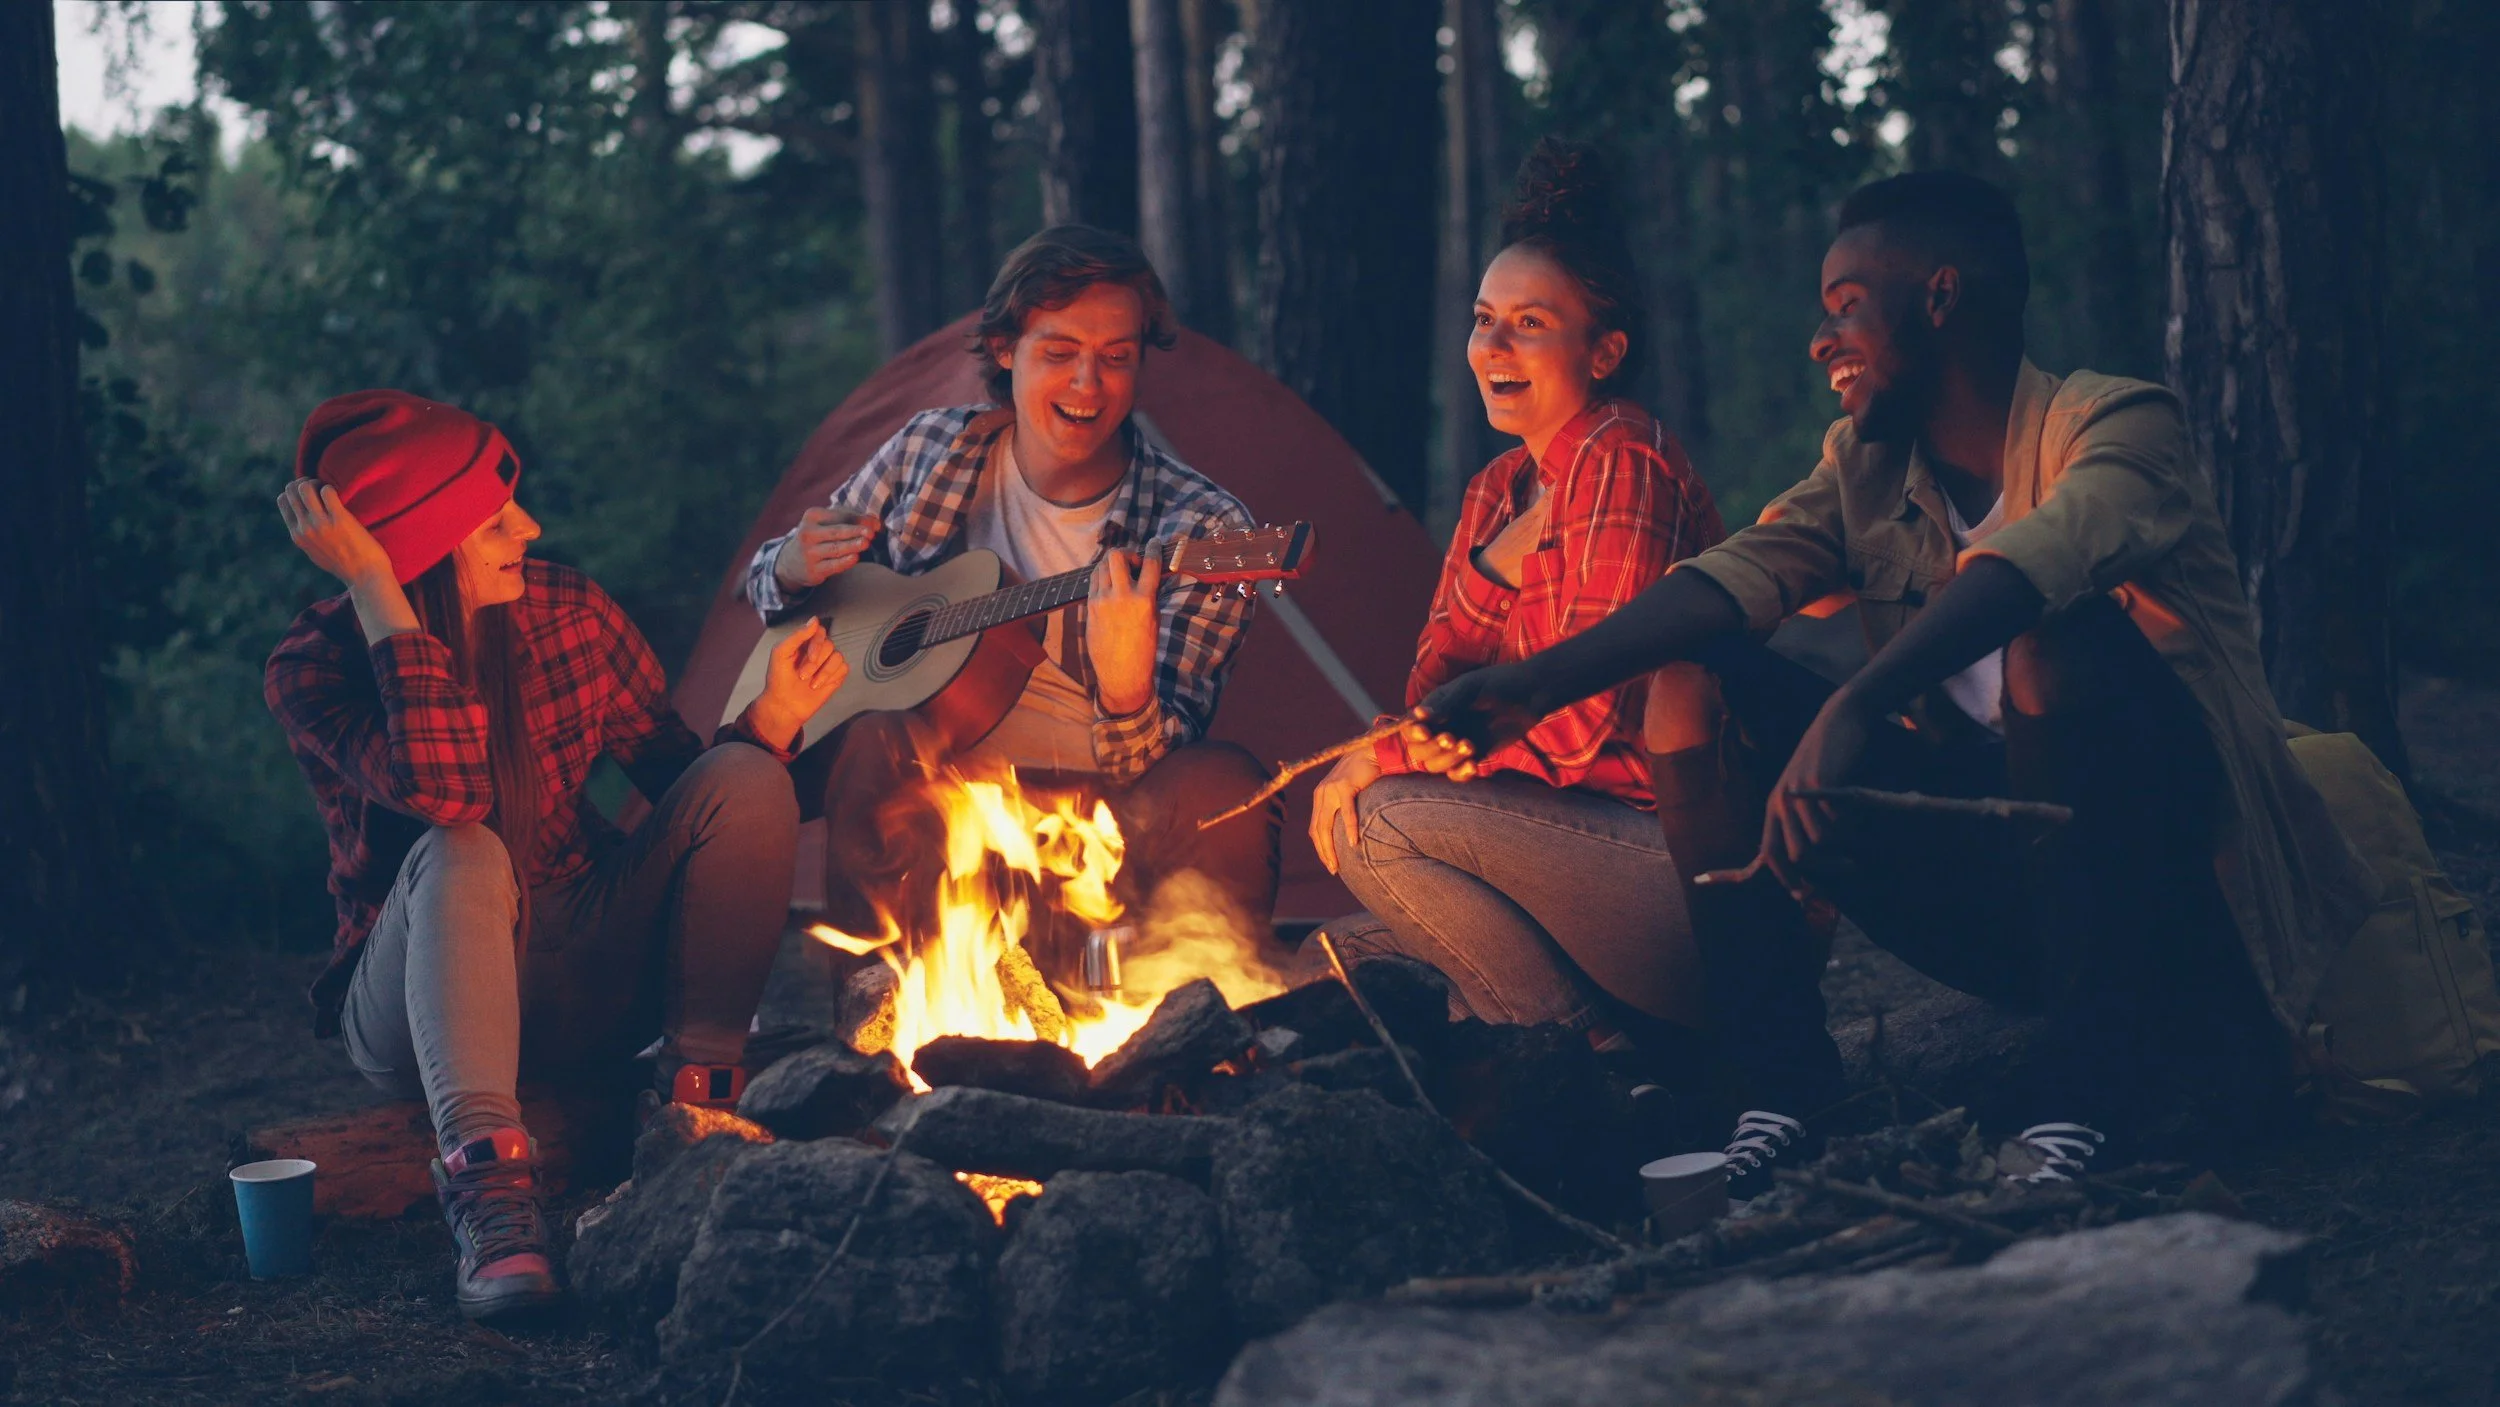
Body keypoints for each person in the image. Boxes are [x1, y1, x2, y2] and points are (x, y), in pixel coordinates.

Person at [1405, 171, 2373, 1195]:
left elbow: (2036, 565)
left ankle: (2091, 1090)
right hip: (1999, 893)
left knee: (2055, 645)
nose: (1822, 342)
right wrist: (1537, 683)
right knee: (1691, 674)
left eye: (1845, 310)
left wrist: (1855, 703)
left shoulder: (2120, 426)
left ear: (1941, 298)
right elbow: (1739, 573)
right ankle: (1780, 1085)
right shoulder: (1863, 470)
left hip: (2167, 899)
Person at [267, 390, 842, 1322]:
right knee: (462, 848)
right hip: (419, 1011)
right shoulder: (315, 663)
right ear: (421, 552)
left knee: (746, 775)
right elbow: (449, 790)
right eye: (495, 521)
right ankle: (491, 1195)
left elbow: (686, 785)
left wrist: (768, 724)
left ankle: (696, 1113)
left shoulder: (567, 609)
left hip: (582, 962)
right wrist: (380, 594)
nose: (528, 528)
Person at [742, 225, 1278, 980]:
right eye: (1060, 353)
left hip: (1103, 805)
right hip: (939, 793)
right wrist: (792, 567)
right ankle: (871, 1041)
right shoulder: (927, 451)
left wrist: (1125, 689)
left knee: (1227, 788)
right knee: (872, 741)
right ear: (1005, 349)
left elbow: (1156, 760)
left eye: (1116, 358)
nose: (1089, 386)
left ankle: (1193, 1045)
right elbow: (774, 593)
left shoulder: (1206, 530)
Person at [1309, 140, 1725, 1054]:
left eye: (1528, 322)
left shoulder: (1626, 458)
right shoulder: (1501, 487)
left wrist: (1380, 761)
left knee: (1378, 824)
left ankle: (1589, 1064)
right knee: (1324, 968)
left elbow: (1575, 733)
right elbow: (1433, 684)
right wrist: (1498, 561)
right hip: (1557, 859)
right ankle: (1546, 1035)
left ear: (1604, 350)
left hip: (1678, 866)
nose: (1491, 346)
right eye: (1484, 318)